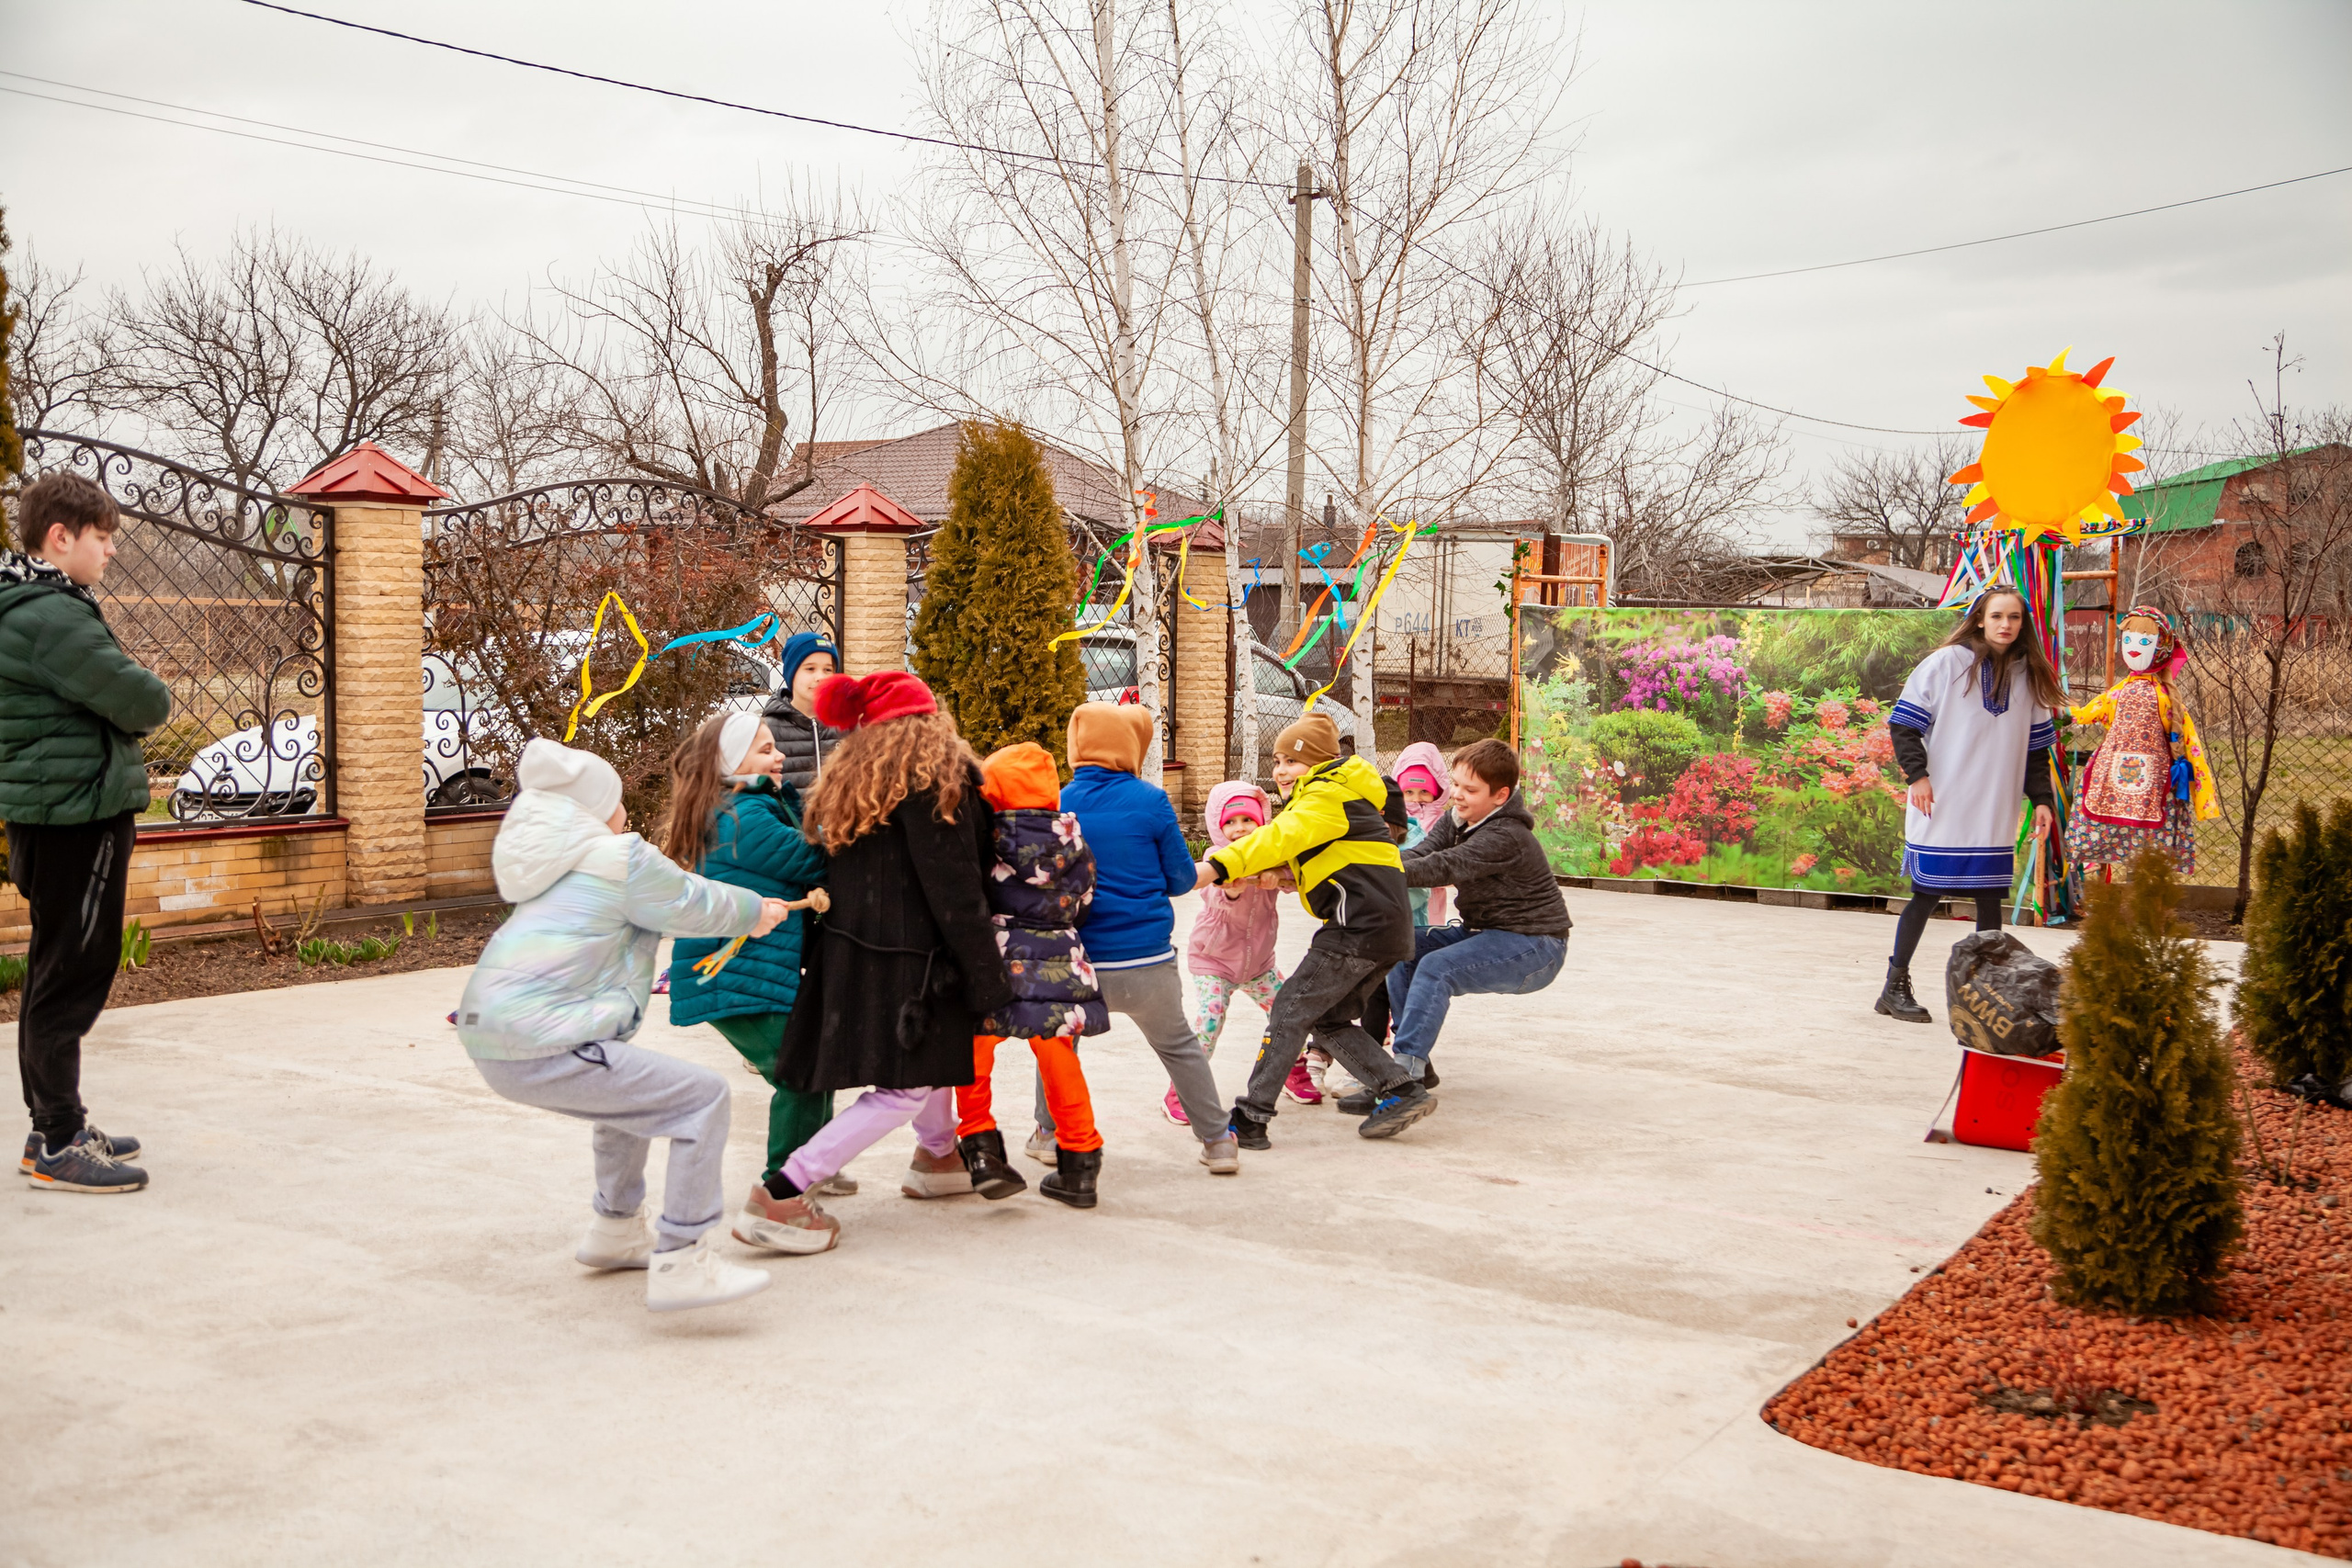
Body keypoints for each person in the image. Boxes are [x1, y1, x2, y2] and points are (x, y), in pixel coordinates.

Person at [457, 739, 795, 1313]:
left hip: (499, 1035)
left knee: (629, 1104)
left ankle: (615, 1230)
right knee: (702, 1097)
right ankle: (683, 1259)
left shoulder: (556, 866)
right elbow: (688, 899)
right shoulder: (619, 859)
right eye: (616, 800)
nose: (625, 811)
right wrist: (755, 910)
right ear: (592, 810)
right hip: (542, 1038)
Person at [764, 671, 1015, 1207]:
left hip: (853, 951)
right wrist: (985, 972)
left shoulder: (853, 780)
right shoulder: (939, 783)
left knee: (931, 1059)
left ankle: (938, 1155)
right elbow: (955, 889)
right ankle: (784, 1189)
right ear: (930, 720)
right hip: (914, 962)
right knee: (904, 1089)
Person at [5, 473, 172, 1194]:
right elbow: (143, 699)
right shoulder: (50, 615)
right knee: (71, 973)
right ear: (60, 536)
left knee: (55, 967)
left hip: (55, 813)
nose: (110, 551)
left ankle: (52, 1124)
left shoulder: (32, 602)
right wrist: (143, 689)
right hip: (76, 816)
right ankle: (58, 1139)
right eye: (102, 538)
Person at [662, 710, 851, 1257]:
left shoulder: (750, 806)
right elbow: (815, 860)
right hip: (736, 973)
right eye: (765, 749)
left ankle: (808, 1165)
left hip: (750, 969)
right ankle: (779, 1196)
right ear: (731, 762)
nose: (780, 756)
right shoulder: (743, 818)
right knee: (801, 1071)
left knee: (810, 1064)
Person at [1198, 714, 1430, 1146]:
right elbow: (1327, 856)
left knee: (1289, 1009)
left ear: (1319, 763)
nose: (1281, 770)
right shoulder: (1344, 797)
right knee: (1327, 1017)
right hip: (1386, 929)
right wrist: (1285, 876)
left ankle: (1250, 1118)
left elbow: (1279, 837)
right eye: (1276, 761)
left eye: (1292, 760)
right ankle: (1400, 1090)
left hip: (1356, 928)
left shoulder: (1325, 795)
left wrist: (1216, 866)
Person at [1031, 703, 1240, 1176]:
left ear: (1076, 745)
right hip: (1148, 960)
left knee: (1057, 1044)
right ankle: (1217, 1141)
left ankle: (1047, 1134)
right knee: (1180, 1046)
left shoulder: (1058, 802)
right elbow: (1180, 880)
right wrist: (1223, 866)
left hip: (1080, 961)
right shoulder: (1152, 801)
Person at [1875, 586, 2060, 1024]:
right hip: (1942, 801)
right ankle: (1894, 986)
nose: (2005, 624)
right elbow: (1904, 725)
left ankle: (1987, 995)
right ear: (1979, 618)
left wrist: (2042, 800)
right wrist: (1918, 776)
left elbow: (2036, 750)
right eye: (1997, 616)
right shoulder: (1946, 664)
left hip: (1993, 807)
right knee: (1926, 893)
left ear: (2022, 623)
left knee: (1989, 897)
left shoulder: (2028, 675)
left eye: (2014, 617)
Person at [955, 741, 1111, 1208]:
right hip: (1060, 958)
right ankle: (1080, 1164)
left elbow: (969, 894)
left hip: (996, 958)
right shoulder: (1075, 841)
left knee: (975, 1052)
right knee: (1059, 1056)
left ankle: (981, 1149)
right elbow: (1085, 901)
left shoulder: (984, 838)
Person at [1382, 739, 1573, 1090]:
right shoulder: (1458, 819)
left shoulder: (1506, 835)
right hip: (1486, 933)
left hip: (1536, 946)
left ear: (1500, 796)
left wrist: (1370, 872)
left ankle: (1403, 1076)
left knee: (1436, 967)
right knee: (1399, 948)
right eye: (1455, 784)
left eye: (1470, 790)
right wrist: (1371, 864)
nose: (1457, 795)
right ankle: (1415, 1064)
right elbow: (1422, 853)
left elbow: (1444, 866)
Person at [1177, 780, 1301, 1121]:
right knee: (1210, 1021)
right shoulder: (1216, 860)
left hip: (1260, 965)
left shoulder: (1271, 855)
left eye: (1248, 820)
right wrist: (1232, 890)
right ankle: (1183, 1089)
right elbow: (1212, 894)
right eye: (1230, 822)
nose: (1240, 829)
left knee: (1290, 1013)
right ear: (1218, 827)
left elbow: (1296, 879)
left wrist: (1278, 874)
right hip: (1213, 960)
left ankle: (1293, 1069)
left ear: (1262, 822)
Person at [761, 630, 843, 790]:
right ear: (792, 674)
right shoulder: (768, 728)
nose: (820, 677)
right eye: (810, 669)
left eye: (828, 670)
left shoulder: (847, 725)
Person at [1391, 740, 1453, 927]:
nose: (1416, 798)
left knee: (1431, 932)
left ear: (1437, 791)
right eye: (1409, 792)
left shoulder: (1444, 821)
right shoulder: (1395, 821)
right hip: (1402, 895)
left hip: (1433, 897)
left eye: (1424, 791)